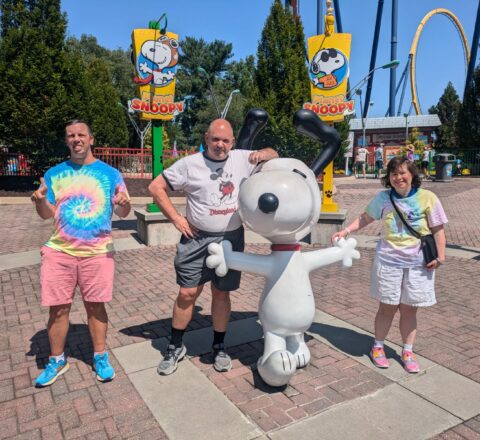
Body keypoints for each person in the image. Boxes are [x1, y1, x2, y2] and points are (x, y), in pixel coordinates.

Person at [148, 119, 278, 375]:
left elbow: (274, 154)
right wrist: (176, 218)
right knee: (187, 293)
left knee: (221, 293)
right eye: (215, 139)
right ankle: (175, 346)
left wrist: (265, 154)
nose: (220, 145)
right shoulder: (190, 164)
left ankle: (219, 346)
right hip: (196, 239)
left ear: (232, 142)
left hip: (231, 239)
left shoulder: (242, 158)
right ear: (206, 138)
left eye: (226, 140)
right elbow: (156, 187)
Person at [31, 120, 131, 387]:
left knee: (96, 307)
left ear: (91, 139)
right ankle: (57, 360)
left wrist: (124, 204)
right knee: (58, 309)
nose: (76, 139)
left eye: (81, 135)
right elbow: (46, 214)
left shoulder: (110, 174)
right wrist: (41, 201)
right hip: (59, 252)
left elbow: (123, 212)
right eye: (70, 136)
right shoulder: (53, 174)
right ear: (66, 141)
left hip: (98, 253)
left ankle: (99, 356)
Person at [331, 156, 447, 373]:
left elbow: (438, 229)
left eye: (403, 173)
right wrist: (346, 230)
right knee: (387, 308)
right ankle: (378, 347)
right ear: (389, 178)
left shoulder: (428, 198)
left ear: (412, 174)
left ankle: (408, 351)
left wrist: (440, 256)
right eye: (394, 174)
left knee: (410, 310)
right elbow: (366, 217)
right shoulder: (383, 198)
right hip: (389, 261)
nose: (398, 177)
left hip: (418, 263)